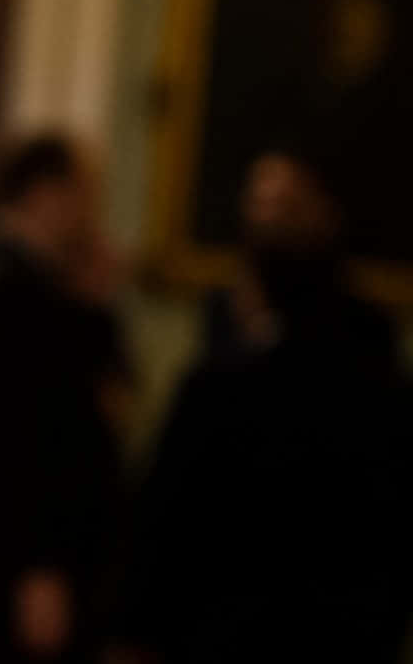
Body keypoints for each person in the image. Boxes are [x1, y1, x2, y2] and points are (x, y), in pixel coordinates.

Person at [113, 149, 411, 663]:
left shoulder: (363, 346)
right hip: (219, 620)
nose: (267, 219)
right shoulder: (222, 339)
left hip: (322, 623)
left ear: (324, 213)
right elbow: (175, 505)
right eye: (260, 204)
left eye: (285, 206)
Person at [0, 135, 131, 664]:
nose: (94, 212)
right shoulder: (11, 289)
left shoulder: (6, 277)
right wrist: (37, 565)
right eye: (86, 193)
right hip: (14, 556)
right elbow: (15, 438)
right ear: (47, 193)